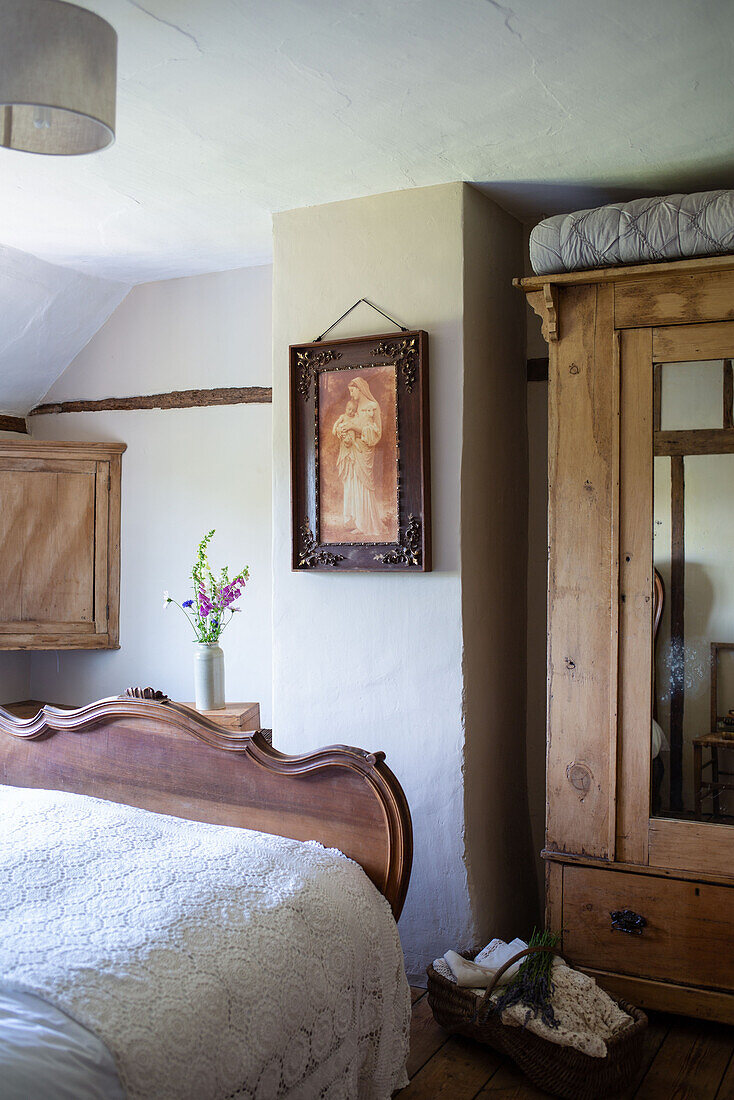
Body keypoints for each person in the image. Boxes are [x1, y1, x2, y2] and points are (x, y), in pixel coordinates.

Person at [332, 377, 385, 538]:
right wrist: (342, 431)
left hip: (364, 453)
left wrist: (353, 427)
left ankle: (367, 523)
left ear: (360, 389)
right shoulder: (353, 408)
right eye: (349, 391)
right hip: (351, 453)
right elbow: (346, 424)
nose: (351, 393)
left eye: (353, 390)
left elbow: (376, 434)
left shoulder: (372, 407)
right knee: (353, 484)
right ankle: (357, 522)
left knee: (362, 486)